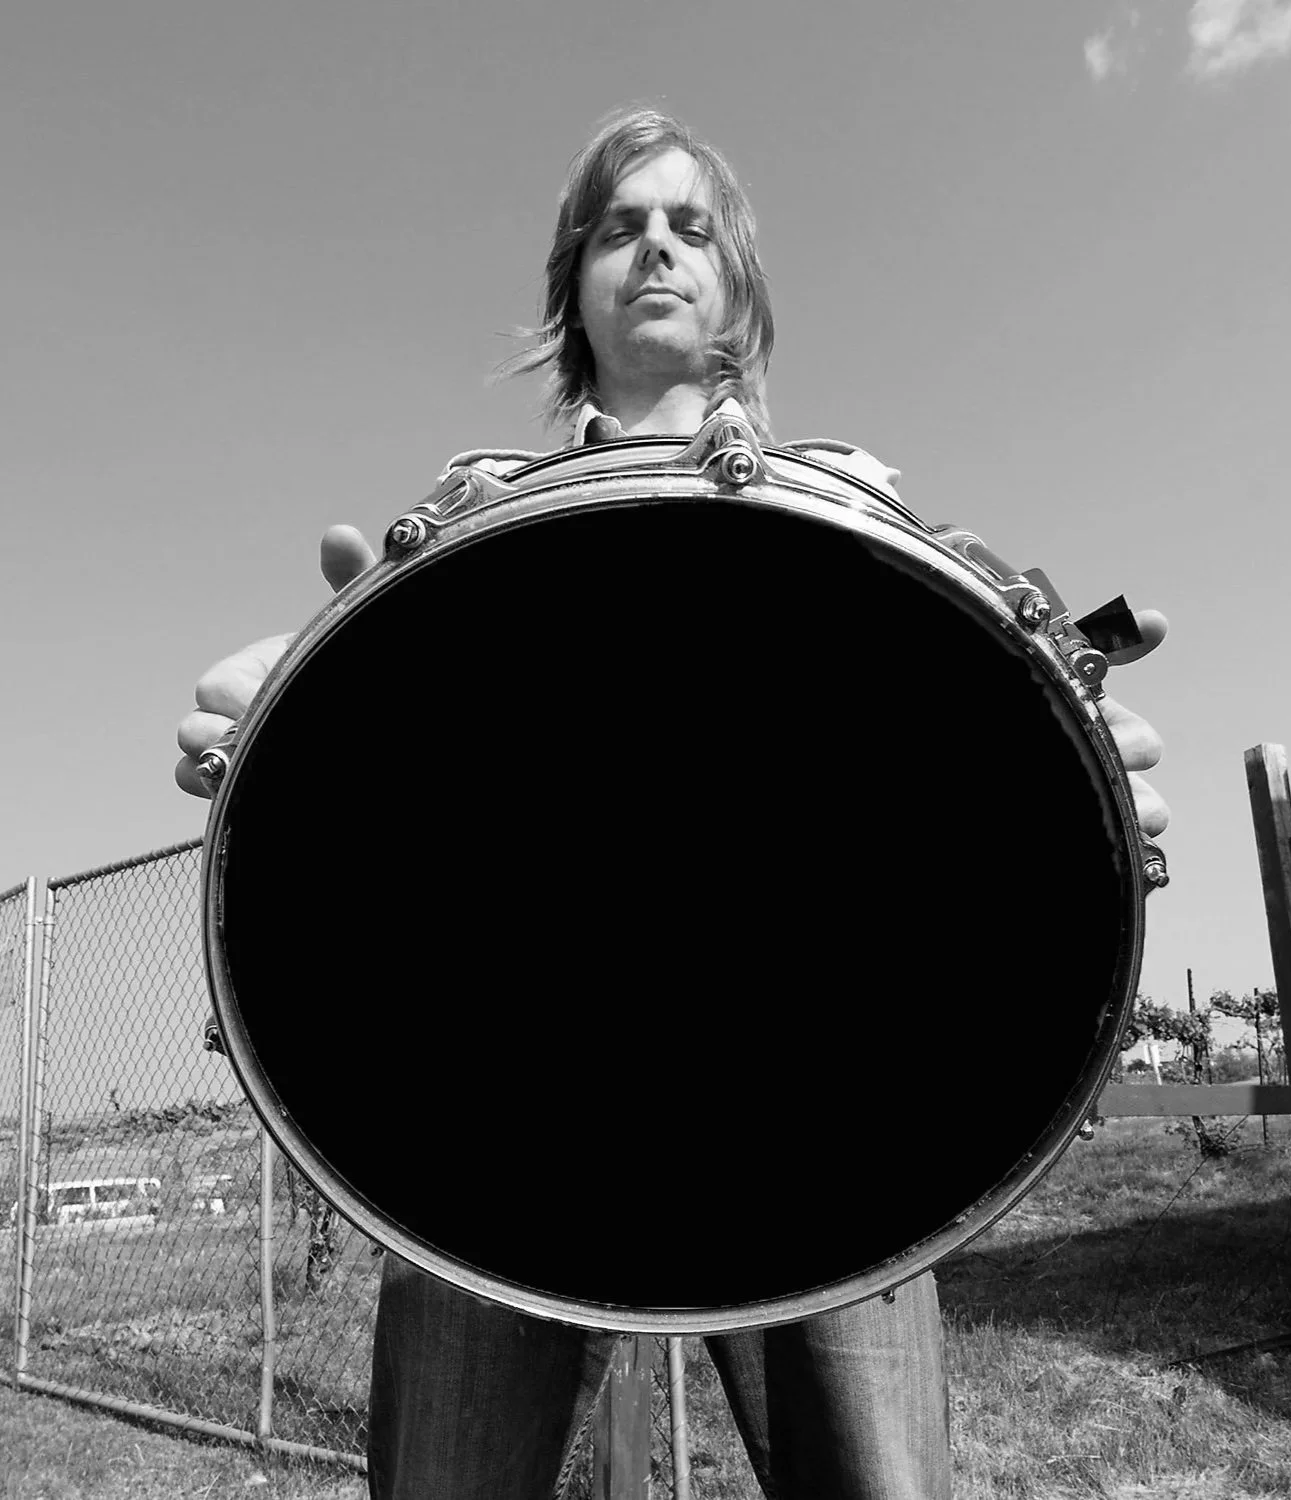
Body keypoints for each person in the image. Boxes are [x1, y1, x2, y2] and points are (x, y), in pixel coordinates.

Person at [177, 107, 1168, 1500]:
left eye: (690, 227)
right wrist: (290, 717)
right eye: (621, 226)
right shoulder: (477, 507)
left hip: (842, 1095)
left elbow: (957, 763)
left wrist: (1078, 776)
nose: (656, 247)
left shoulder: (857, 500)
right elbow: (404, 793)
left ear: (736, 285)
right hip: (497, 1100)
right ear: (573, 286)